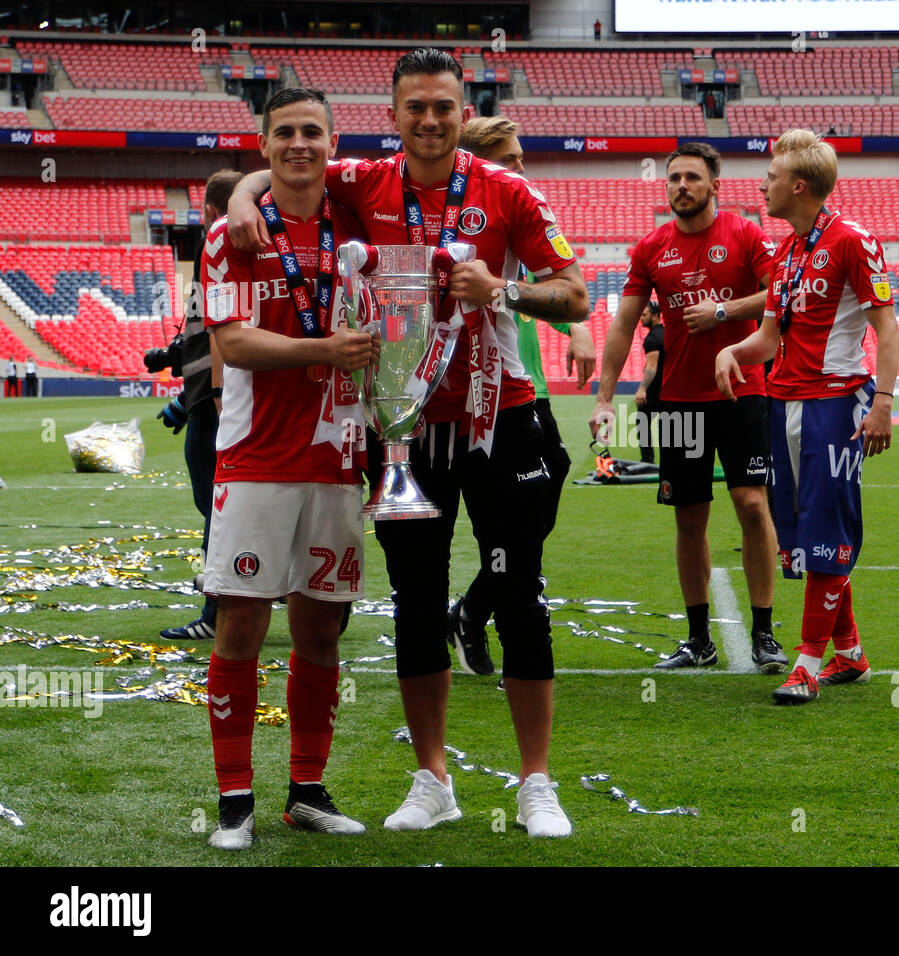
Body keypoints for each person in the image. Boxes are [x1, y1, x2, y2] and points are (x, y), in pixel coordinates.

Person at [225, 49, 589, 837]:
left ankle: (537, 783)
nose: (429, 120)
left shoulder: (508, 191)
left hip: (501, 420)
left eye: (443, 108)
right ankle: (433, 779)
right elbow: (289, 165)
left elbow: (576, 297)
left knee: (519, 600)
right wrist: (250, 190)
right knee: (417, 607)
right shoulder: (363, 184)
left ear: (463, 112)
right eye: (414, 108)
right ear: (392, 116)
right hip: (406, 432)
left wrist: (506, 289)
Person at [199, 88, 377, 850]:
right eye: (284, 134)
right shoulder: (230, 233)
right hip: (256, 459)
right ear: (264, 144)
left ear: (331, 142)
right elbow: (234, 344)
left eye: (312, 132)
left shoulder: (361, 223)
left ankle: (305, 788)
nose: (299, 144)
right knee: (242, 622)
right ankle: (233, 802)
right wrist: (321, 350)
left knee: (321, 632)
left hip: (337, 458)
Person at [716, 128, 899, 705]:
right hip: (784, 404)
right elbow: (770, 338)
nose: (762, 186)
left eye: (770, 177)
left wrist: (885, 403)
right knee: (798, 535)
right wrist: (732, 350)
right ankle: (850, 652)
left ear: (798, 186)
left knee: (827, 531)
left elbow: (886, 326)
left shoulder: (853, 241)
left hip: (836, 405)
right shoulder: (788, 251)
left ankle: (807, 662)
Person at [588, 141, 786, 674]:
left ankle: (765, 634)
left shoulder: (745, 233)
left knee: (751, 504)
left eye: (692, 178)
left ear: (714, 185)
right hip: (678, 402)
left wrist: (722, 310)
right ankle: (699, 639)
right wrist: (606, 398)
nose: (681, 186)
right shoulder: (651, 247)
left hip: (743, 391)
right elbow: (624, 325)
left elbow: (780, 294)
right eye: (673, 178)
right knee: (689, 517)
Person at [447, 115, 597, 676]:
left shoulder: (514, 213)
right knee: (513, 522)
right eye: (510, 159)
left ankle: (474, 608)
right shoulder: (468, 219)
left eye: (522, 158)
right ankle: (486, 611)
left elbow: (551, 292)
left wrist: (577, 327)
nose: (520, 168)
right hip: (483, 400)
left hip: (521, 390)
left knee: (545, 488)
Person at [158, 169, 243, 644]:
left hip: (219, 405)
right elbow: (199, 336)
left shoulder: (218, 248)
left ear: (209, 212)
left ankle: (217, 609)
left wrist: (205, 402)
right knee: (227, 504)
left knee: (217, 506)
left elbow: (216, 338)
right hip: (216, 400)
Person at [635, 300, 663, 464]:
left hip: (655, 390)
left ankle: (647, 460)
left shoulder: (652, 338)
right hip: (669, 389)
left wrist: (642, 389)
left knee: (643, 421)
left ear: (655, 316)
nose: (641, 318)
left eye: (644, 315)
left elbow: (652, 366)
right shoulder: (667, 334)